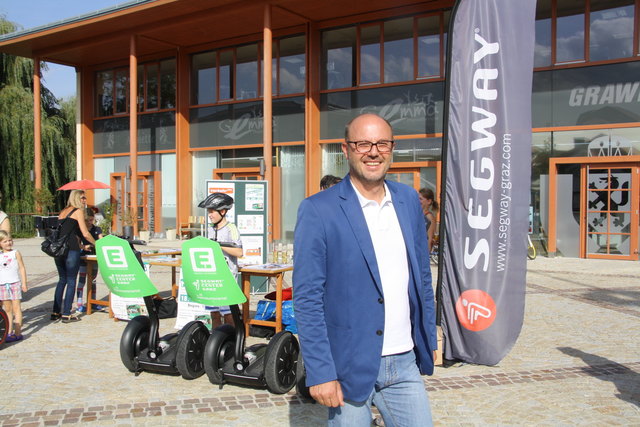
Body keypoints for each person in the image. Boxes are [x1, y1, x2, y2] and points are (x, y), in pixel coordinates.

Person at [293, 113, 437, 426]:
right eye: (362, 144)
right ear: (346, 150)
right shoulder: (319, 210)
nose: (373, 151)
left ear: (391, 148)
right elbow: (307, 299)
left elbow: (421, 276)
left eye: (381, 143)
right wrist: (320, 371)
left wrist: (429, 338)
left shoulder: (409, 200)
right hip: (347, 365)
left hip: (404, 361)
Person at [198, 192, 243, 328]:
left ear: (222, 211)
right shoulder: (211, 229)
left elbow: (239, 251)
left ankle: (234, 341)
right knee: (214, 313)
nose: (210, 215)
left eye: (212, 211)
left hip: (227, 277)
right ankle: (215, 340)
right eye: (208, 212)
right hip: (212, 276)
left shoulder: (231, 228)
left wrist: (218, 245)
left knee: (228, 314)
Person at [52, 190, 96, 323]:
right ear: (76, 198)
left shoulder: (63, 212)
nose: (84, 200)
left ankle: (55, 312)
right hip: (71, 250)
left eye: (85, 198)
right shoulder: (77, 212)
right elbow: (85, 234)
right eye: (82, 198)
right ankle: (66, 313)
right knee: (71, 281)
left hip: (59, 250)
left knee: (62, 280)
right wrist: (98, 244)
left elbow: (68, 233)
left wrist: (82, 246)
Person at [0, 231, 27, 342]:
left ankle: (17, 332)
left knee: (17, 309)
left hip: (14, 283)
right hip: (2, 284)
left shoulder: (15, 252)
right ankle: (8, 331)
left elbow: (22, 268)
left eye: (10, 240)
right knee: (7, 310)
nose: (8, 243)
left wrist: (24, 283)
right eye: (5, 241)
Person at [76, 208, 104, 313]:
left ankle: (93, 301)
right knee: (82, 280)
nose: (89, 223)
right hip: (83, 258)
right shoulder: (80, 230)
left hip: (94, 258)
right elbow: (77, 243)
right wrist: (83, 247)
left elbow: (101, 241)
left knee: (93, 280)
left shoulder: (97, 229)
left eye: (91, 220)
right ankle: (79, 303)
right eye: (87, 220)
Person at [418, 188, 439, 253]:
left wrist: (427, 256)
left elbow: (429, 239)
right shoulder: (419, 214)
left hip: (423, 252)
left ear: (429, 201)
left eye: (420, 199)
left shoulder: (429, 217)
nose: (418, 201)